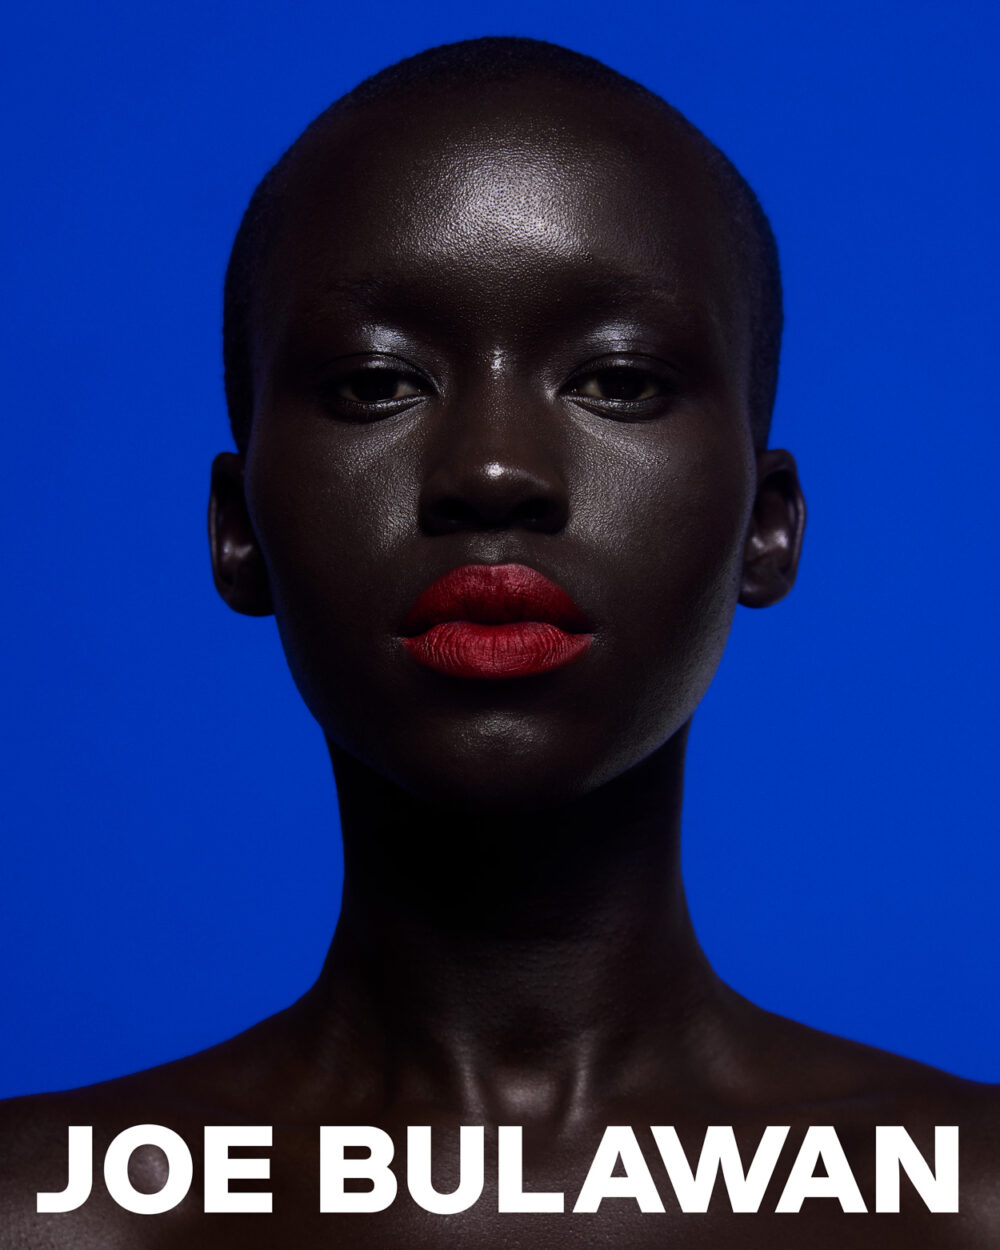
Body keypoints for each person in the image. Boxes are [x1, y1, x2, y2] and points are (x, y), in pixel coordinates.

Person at [1, 35, 997, 1248]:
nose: (492, 468)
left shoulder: (967, 1201)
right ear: (237, 528)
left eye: (618, 381)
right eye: (377, 384)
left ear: (766, 525)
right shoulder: (42, 1211)